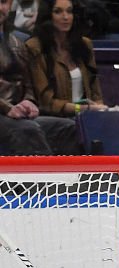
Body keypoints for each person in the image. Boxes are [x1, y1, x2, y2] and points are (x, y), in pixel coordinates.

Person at [0, 0, 80, 154]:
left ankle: (72, 177)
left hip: (15, 113)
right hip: (6, 112)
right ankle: (48, 178)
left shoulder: (17, 43)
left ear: (10, 5)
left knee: (69, 128)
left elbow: (28, 83)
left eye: (3, 2)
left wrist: (28, 101)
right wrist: (7, 108)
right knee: (27, 129)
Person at [25, 0, 105, 118]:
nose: (66, 17)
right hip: (55, 118)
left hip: (86, 114)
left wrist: (100, 110)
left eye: (69, 11)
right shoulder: (35, 47)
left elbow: (96, 93)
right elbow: (46, 102)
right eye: (58, 12)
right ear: (48, 16)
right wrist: (83, 108)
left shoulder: (84, 44)